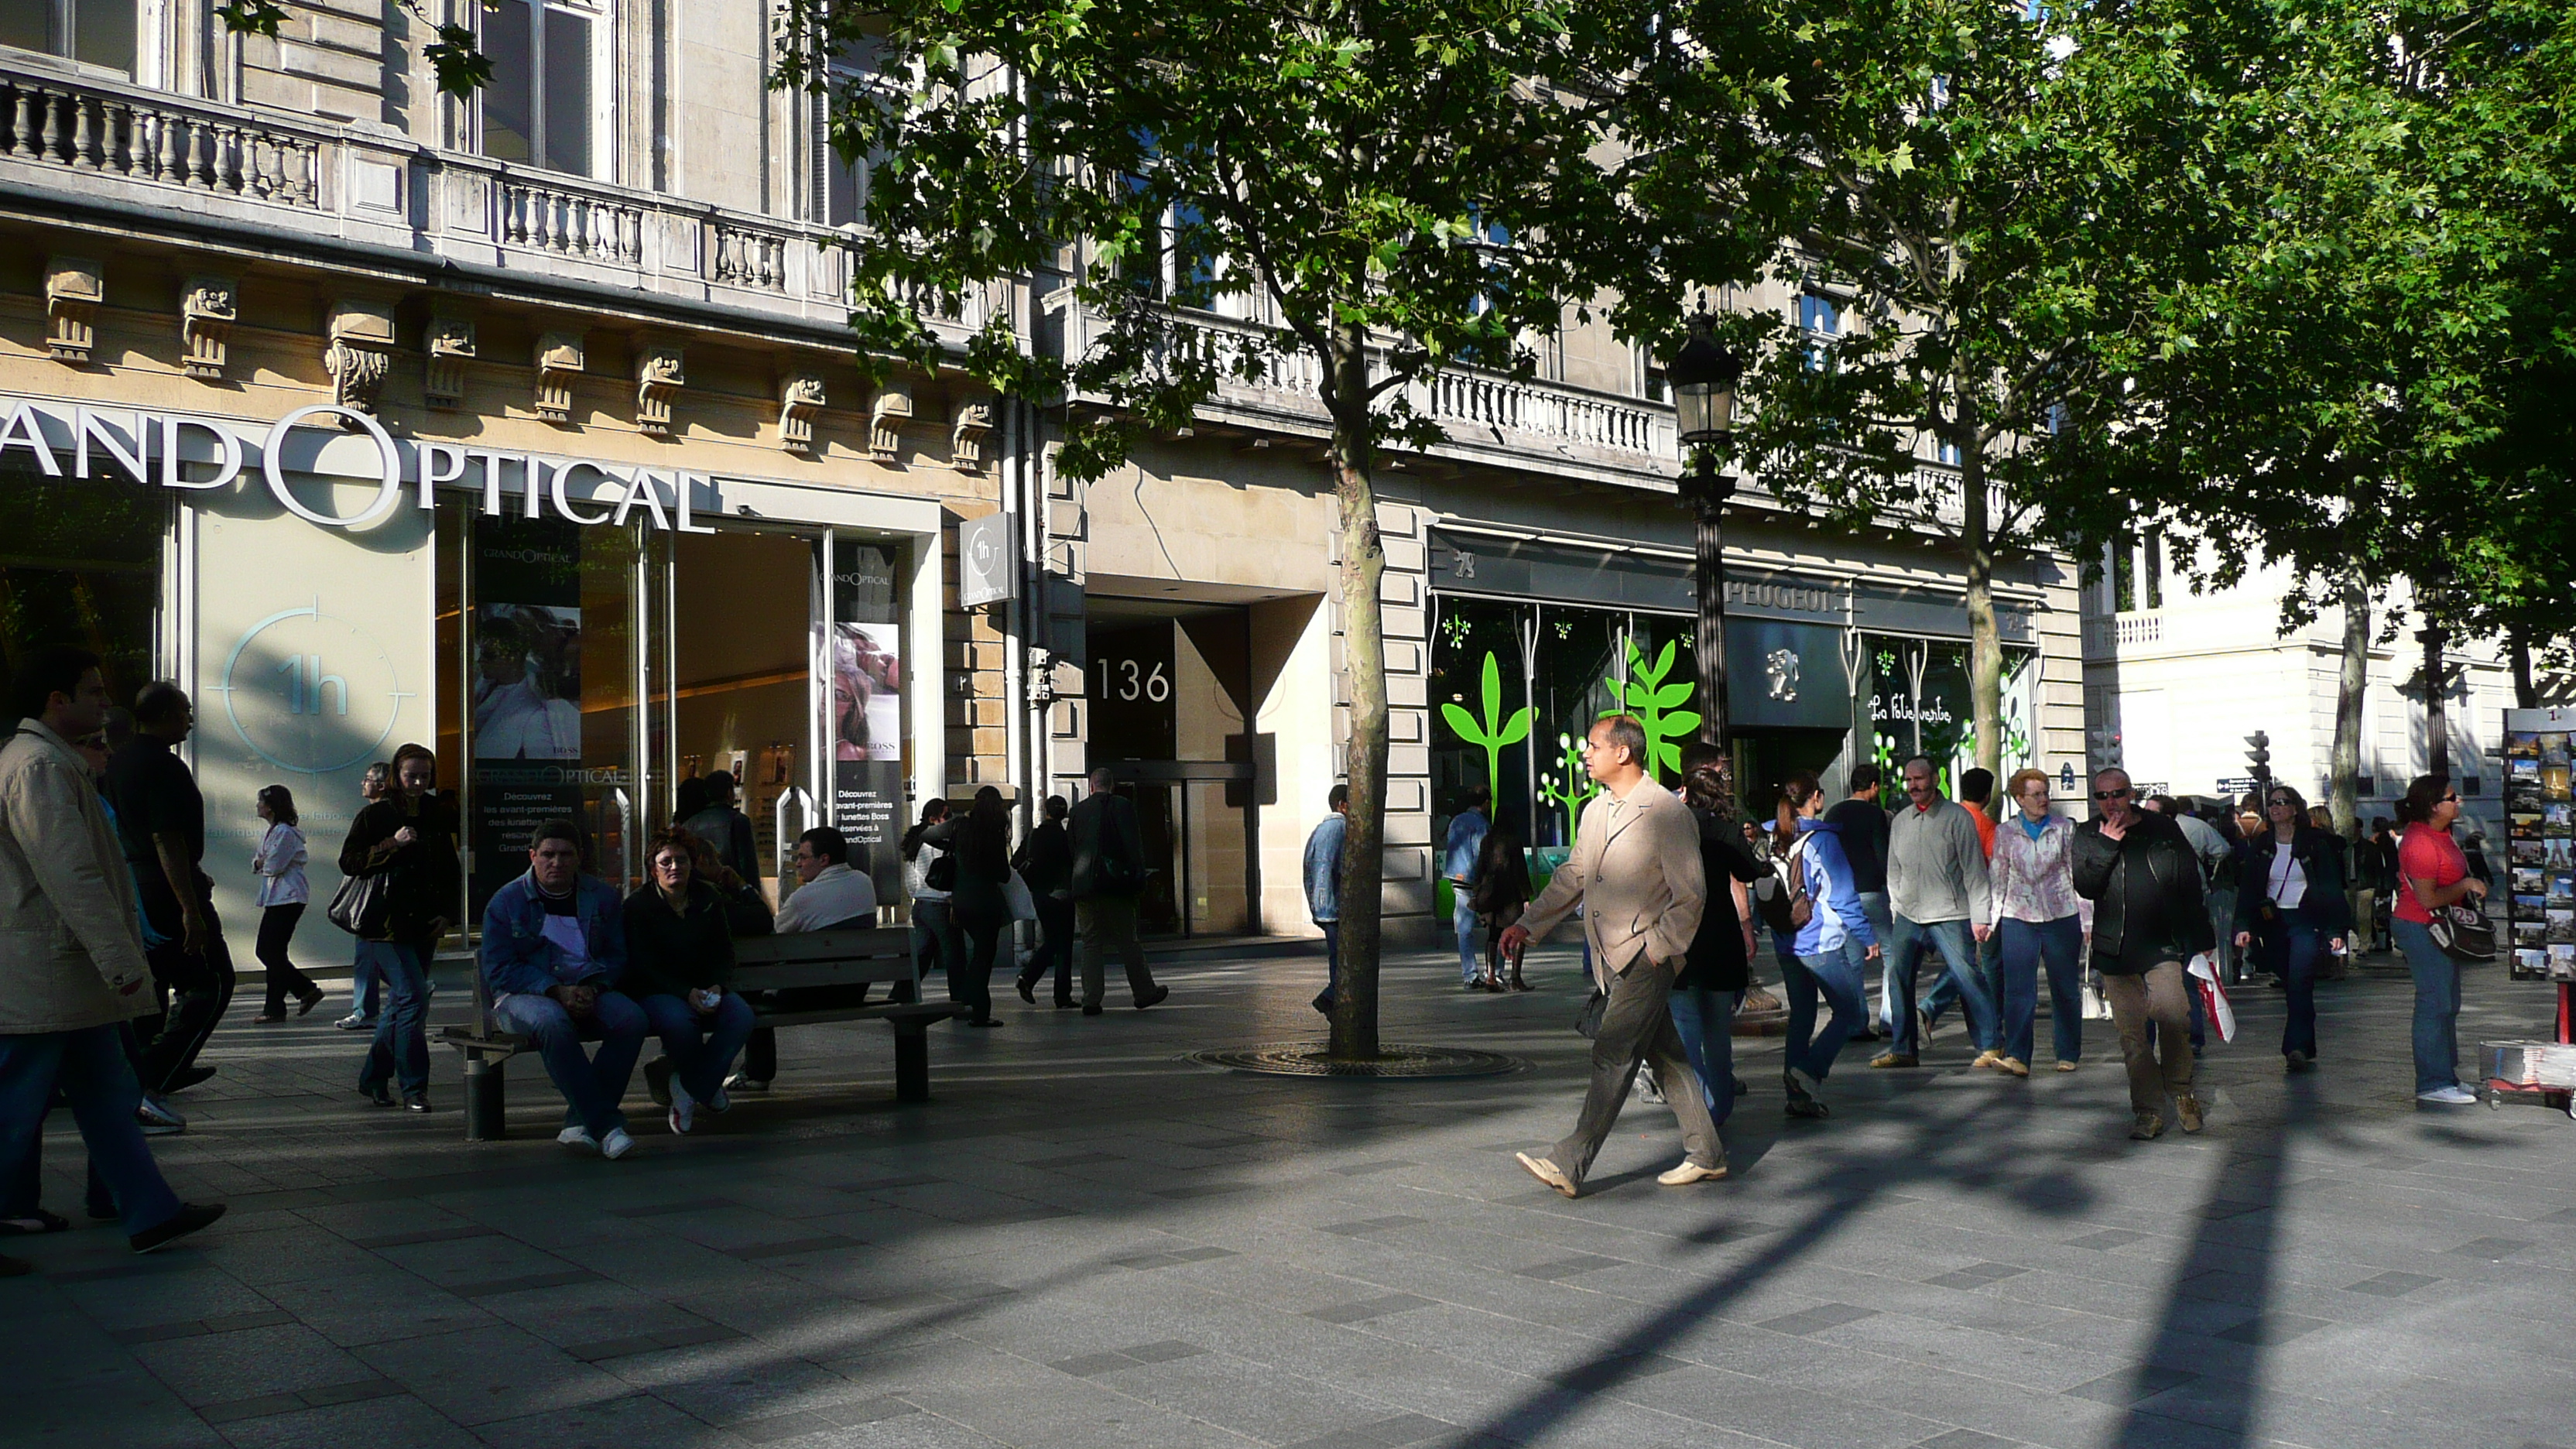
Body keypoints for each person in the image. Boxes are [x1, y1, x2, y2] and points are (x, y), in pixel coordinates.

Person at [0, 645, 225, 1260]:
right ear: (57, 700)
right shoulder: (39, 766)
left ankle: (151, 1212)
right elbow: (71, 874)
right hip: (49, 971)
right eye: (95, 691)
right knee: (15, 1109)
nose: (105, 702)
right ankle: (147, 1211)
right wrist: (123, 963)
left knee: (108, 1098)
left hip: (68, 976)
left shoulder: (46, 759)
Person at [1502, 716, 1723, 1197]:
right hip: (1609, 959)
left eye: (1594, 746)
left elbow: (1691, 895)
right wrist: (1528, 924)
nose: (1586, 754)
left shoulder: (1665, 811)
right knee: (1669, 1059)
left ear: (1623, 752)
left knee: (1614, 1052)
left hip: (1646, 955)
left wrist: (1660, 950)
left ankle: (1570, 1161)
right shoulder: (1594, 811)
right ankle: (1707, 1154)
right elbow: (1573, 876)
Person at [481, 820, 648, 1157]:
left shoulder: (601, 896)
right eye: (548, 855)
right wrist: (555, 990)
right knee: (552, 1023)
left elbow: (616, 955)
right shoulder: (506, 902)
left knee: (631, 1020)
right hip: (524, 997)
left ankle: (578, 1122)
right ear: (532, 856)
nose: (556, 862)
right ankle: (605, 1126)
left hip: (589, 987)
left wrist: (595, 987)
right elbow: (499, 970)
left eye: (565, 855)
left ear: (579, 858)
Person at [2071, 768, 2214, 1140]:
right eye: (2102, 797)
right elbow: (2085, 886)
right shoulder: (2088, 834)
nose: (2111, 803)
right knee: (2134, 1039)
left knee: (2175, 1017)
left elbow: (2188, 882)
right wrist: (2106, 846)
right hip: (2113, 948)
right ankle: (2148, 1111)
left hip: (2160, 943)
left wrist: (2202, 934)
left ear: (2130, 793)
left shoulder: (2161, 828)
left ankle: (2181, 1089)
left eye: (2118, 794)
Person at [104, 683, 233, 1096]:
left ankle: (141, 1069)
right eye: (184, 712)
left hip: (134, 881)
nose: (190, 720)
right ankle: (162, 1065)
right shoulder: (163, 766)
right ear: (163, 716)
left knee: (154, 980)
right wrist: (189, 907)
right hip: (163, 885)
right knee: (211, 979)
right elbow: (167, 838)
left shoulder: (118, 762)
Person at [337, 744, 458, 1112]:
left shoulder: (436, 811)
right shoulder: (377, 815)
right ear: (396, 775)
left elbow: (449, 867)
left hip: (423, 922)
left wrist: (449, 914)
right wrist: (393, 843)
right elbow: (350, 861)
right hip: (384, 926)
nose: (418, 783)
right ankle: (414, 1087)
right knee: (413, 999)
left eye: (424, 776)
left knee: (401, 1005)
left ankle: (373, 1079)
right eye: (411, 776)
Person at [625, 830, 753, 1135]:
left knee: (741, 1017)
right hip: (660, 990)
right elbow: (641, 965)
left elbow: (724, 951)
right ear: (653, 868)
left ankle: (687, 1088)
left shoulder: (708, 897)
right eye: (665, 861)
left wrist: (717, 985)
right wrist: (685, 992)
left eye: (681, 860)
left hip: (707, 986)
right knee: (681, 1023)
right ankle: (706, 1088)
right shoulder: (637, 907)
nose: (674, 867)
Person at [1670, 748, 1772, 1125]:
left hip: (1681, 938)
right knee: (1717, 1032)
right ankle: (1720, 1108)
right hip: (1721, 936)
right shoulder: (1725, 830)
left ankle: (1698, 1103)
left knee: (1685, 1031)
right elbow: (1746, 872)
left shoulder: (1674, 828)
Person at [1767, 767, 1876, 1118]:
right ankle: (1809, 1072)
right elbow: (1842, 896)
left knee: (1802, 1015)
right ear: (1817, 798)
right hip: (1820, 943)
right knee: (1852, 1011)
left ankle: (1797, 1095)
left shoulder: (1773, 835)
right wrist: (1867, 935)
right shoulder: (1824, 840)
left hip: (1786, 941)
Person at [1876, 756, 1995, 1069]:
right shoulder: (1901, 821)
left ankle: (1991, 1046)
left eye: (1920, 779)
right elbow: (1893, 870)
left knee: (1967, 976)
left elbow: (1974, 870)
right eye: (1909, 780)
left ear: (1934, 780)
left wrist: (1981, 915)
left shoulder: (1958, 818)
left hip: (1951, 914)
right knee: (1897, 977)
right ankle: (1903, 1048)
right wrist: (1896, 906)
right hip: (1908, 914)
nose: (1914, 785)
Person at [735, 826, 868, 1093]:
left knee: (749, 997)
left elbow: (771, 937)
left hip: (810, 994)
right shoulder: (864, 882)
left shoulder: (803, 898)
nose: (798, 863)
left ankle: (757, 1073)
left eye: (804, 857)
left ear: (824, 860)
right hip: (854, 990)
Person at [2232, 786, 2350, 1073]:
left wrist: (2336, 929)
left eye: (2283, 802)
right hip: (2274, 923)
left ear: (2295, 808)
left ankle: (2295, 1047)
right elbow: (2249, 887)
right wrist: (2243, 925)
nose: (2276, 807)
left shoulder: (2313, 843)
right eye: (2272, 803)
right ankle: (2304, 1044)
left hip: (2306, 920)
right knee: (2289, 983)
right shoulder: (2262, 844)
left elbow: (2331, 887)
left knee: (2300, 984)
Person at [2391, 775, 2484, 1105]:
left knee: (2448, 1003)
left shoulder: (2443, 834)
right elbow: (2427, 898)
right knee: (2434, 1003)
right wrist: (2466, 886)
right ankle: (2432, 1083)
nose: (2458, 802)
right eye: (2451, 797)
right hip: (2422, 926)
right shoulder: (2419, 842)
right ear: (2433, 806)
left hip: (2443, 926)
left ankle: (2446, 1076)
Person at [1992, 768, 2083, 1075]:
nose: (2043, 799)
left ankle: (2068, 1052)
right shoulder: (2005, 833)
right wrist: (1989, 921)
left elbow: (2076, 875)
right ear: (2020, 799)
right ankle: (2018, 1056)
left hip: (2061, 915)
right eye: (2036, 794)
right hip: (2019, 917)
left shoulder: (2065, 829)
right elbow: (1998, 878)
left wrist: (2088, 920)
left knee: (2065, 988)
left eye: (2046, 793)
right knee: (2018, 990)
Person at [1070, 769, 1168, 1015]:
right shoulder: (1123, 807)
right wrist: (1138, 881)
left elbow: (1070, 848)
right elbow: (1133, 846)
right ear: (1111, 786)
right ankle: (1144, 991)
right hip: (1116, 886)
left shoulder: (1078, 811)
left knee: (1091, 943)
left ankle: (1091, 999)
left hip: (1085, 887)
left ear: (1091, 786)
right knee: (1128, 941)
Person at [1922, 767, 2002, 1057]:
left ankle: (1982, 1037)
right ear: (1987, 794)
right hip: (1973, 905)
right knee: (1976, 967)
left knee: (1964, 965)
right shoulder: (1987, 826)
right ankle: (1988, 1031)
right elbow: (1994, 867)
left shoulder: (1946, 816)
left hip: (1940, 900)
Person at [922, 786, 1012, 1027]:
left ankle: (970, 1003)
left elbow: (927, 835)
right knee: (983, 957)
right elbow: (1004, 875)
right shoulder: (994, 833)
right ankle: (978, 1010)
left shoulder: (960, 826)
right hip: (987, 904)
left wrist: (953, 847)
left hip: (961, 902)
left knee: (977, 956)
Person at [1824, 765, 1893, 1039]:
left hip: (1844, 895)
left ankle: (1856, 1022)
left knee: (1853, 960)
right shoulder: (1875, 814)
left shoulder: (1834, 813)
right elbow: (1883, 855)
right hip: (1872, 892)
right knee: (1892, 955)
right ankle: (1889, 1018)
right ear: (1874, 786)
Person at [248, 785, 324, 1022]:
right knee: (274, 952)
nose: (257, 806)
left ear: (271, 806)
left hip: (288, 897)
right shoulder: (273, 831)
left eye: (261, 802)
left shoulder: (285, 833)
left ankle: (304, 990)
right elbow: (259, 861)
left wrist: (262, 863)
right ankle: (275, 1007)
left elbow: (273, 865)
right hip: (277, 897)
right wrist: (261, 863)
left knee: (267, 951)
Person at [336, 762, 392, 1031]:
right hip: (391, 894)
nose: (363, 783)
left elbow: (350, 860)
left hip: (373, 893)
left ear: (382, 785)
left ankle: (365, 1010)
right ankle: (368, 1007)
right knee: (374, 952)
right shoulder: (399, 813)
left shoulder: (371, 815)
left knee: (367, 951)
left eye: (368, 779)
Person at [1012, 796, 1077, 1007]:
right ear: (1064, 814)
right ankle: (1058, 993)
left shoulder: (1034, 835)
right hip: (1063, 895)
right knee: (1062, 944)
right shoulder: (1067, 837)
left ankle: (1030, 979)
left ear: (1045, 810)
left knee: (1052, 939)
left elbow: (1015, 862)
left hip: (1040, 895)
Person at [902, 800, 963, 981]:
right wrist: (951, 898)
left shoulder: (915, 843)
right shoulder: (938, 844)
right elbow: (944, 876)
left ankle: (903, 993)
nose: (950, 820)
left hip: (920, 905)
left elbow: (911, 880)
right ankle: (960, 998)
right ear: (933, 819)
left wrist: (917, 895)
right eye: (946, 816)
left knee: (921, 955)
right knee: (955, 955)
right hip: (940, 905)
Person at [1470, 825, 1533, 992]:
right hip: (1510, 896)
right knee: (1518, 933)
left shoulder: (1487, 841)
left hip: (1491, 895)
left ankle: (1491, 977)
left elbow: (1480, 869)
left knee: (1493, 935)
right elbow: (1520, 871)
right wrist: (1525, 897)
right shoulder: (1513, 841)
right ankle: (1515, 977)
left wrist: (1477, 893)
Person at [1443, 785, 1492, 989]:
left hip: (1456, 876)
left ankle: (1469, 975)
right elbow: (1483, 853)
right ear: (1486, 802)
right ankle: (1493, 972)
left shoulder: (1457, 820)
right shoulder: (1481, 824)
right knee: (1493, 924)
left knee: (1464, 928)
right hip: (1475, 879)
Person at [1305, 785, 1349, 1013]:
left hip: (1325, 906)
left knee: (1337, 956)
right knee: (1343, 957)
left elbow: (1309, 870)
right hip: (1335, 906)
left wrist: (1316, 905)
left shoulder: (1319, 830)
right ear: (1342, 805)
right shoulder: (1341, 829)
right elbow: (1335, 870)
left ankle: (1333, 997)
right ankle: (1331, 996)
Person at [679, 770, 761, 888]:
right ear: (729, 793)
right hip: (731, 892)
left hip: (700, 893)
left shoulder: (689, 824)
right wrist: (752, 894)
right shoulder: (738, 821)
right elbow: (748, 866)